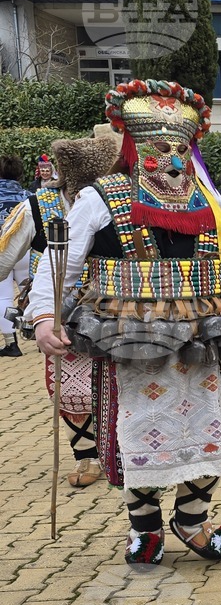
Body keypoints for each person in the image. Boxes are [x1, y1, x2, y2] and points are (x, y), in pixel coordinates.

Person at [30, 79, 221, 564]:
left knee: (210, 427)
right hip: (125, 336)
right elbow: (61, 262)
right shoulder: (101, 196)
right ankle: (144, 528)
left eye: (180, 148)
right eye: (158, 147)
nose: (171, 159)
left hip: (201, 336)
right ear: (135, 146)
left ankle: (192, 520)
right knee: (136, 430)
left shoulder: (207, 201)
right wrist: (46, 315)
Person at [0, 132, 119, 486]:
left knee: (120, 380)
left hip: (114, 311)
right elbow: (4, 258)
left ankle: (119, 447)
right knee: (69, 386)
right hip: (59, 316)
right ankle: (87, 456)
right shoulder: (36, 206)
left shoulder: (118, 203)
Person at [0, 155, 31, 356]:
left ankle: (12, 343)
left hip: (2, 252)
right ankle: (35, 332)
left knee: (4, 298)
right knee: (30, 292)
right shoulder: (29, 195)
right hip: (26, 251)